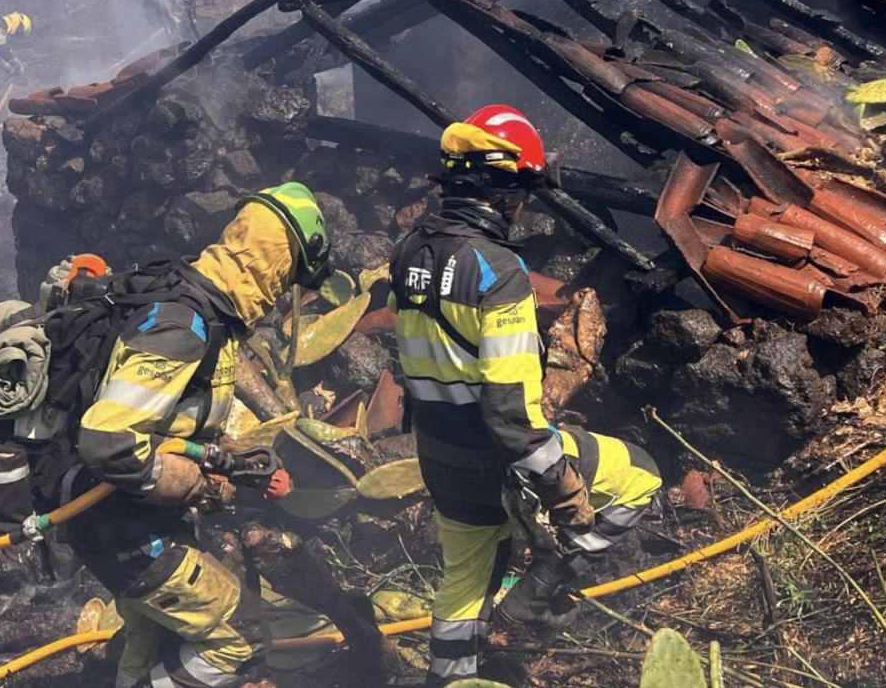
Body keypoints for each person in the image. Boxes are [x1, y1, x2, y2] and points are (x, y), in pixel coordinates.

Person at [388, 104, 662, 685]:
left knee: (464, 583)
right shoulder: (498, 271)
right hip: (496, 457)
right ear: (502, 189)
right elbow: (511, 413)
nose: (523, 206)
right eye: (523, 193)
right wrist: (563, 491)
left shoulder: (409, 251)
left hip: (438, 453)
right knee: (639, 474)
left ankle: (452, 680)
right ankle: (537, 596)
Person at [68, 182, 330, 688]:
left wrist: (237, 459)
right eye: (288, 278)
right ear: (274, 263)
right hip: (124, 529)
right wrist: (195, 484)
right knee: (244, 637)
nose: (282, 295)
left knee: (148, 641)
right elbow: (109, 442)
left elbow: (166, 424)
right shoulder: (183, 326)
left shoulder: (204, 312)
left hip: (122, 521)